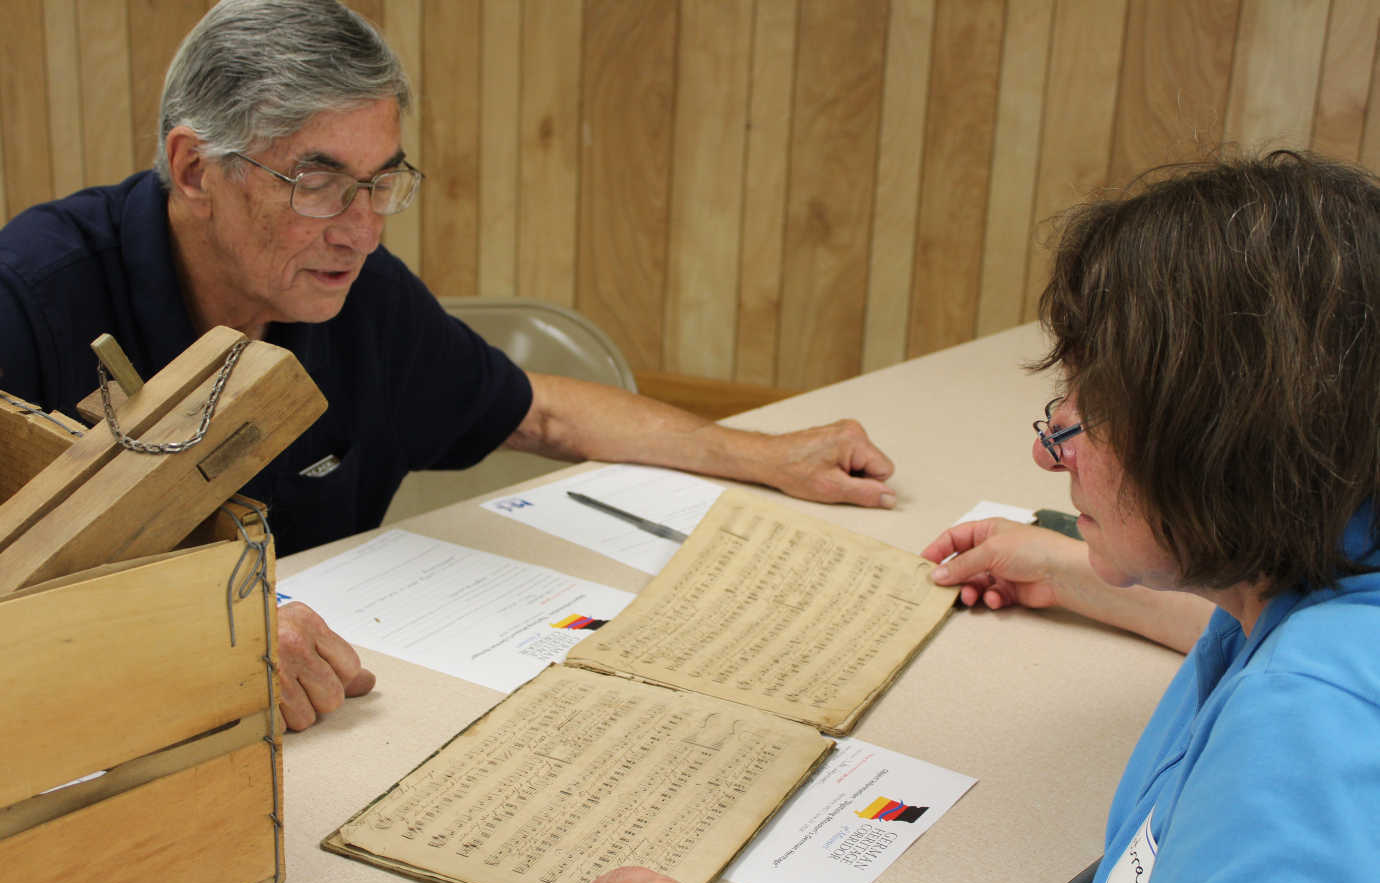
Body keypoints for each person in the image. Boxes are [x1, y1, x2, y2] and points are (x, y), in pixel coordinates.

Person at [0, 0, 896, 732]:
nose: (361, 227)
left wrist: (764, 454)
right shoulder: (30, 298)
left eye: (382, 180)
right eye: (316, 183)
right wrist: (195, 634)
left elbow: (540, 412)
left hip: (334, 721)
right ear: (195, 169)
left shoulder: (358, 297)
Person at [551, 150, 1380, 883]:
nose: (1046, 454)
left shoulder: (1301, 739)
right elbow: (1263, 632)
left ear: (1212, 443)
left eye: (1082, 420)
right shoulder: (1321, 572)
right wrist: (1072, 572)